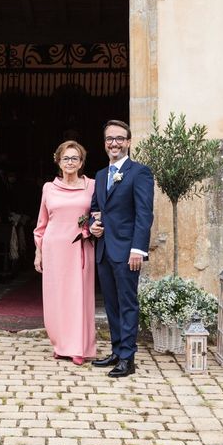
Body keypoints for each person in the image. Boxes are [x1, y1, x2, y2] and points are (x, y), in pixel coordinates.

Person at [89, 120, 154, 377]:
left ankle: (128, 358)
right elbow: (96, 208)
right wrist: (93, 226)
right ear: (105, 143)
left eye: (119, 138)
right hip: (104, 250)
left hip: (128, 251)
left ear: (128, 142)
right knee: (112, 304)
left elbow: (144, 214)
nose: (114, 143)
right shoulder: (101, 175)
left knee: (127, 303)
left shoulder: (140, 172)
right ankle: (116, 350)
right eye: (109, 139)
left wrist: (138, 249)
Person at [33, 141, 96, 366]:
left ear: (81, 162)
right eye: (66, 158)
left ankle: (79, 346)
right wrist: (38, 252)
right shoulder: (49, 188)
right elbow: (42, 223)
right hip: (53, 249)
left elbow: (100, 215)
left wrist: (93, 228)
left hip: (79, 248)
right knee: (56, 300)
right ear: (58, 161)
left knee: (79, 298)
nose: (70, 162)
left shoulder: (92, 186)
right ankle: (61, 344)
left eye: (75, 158)